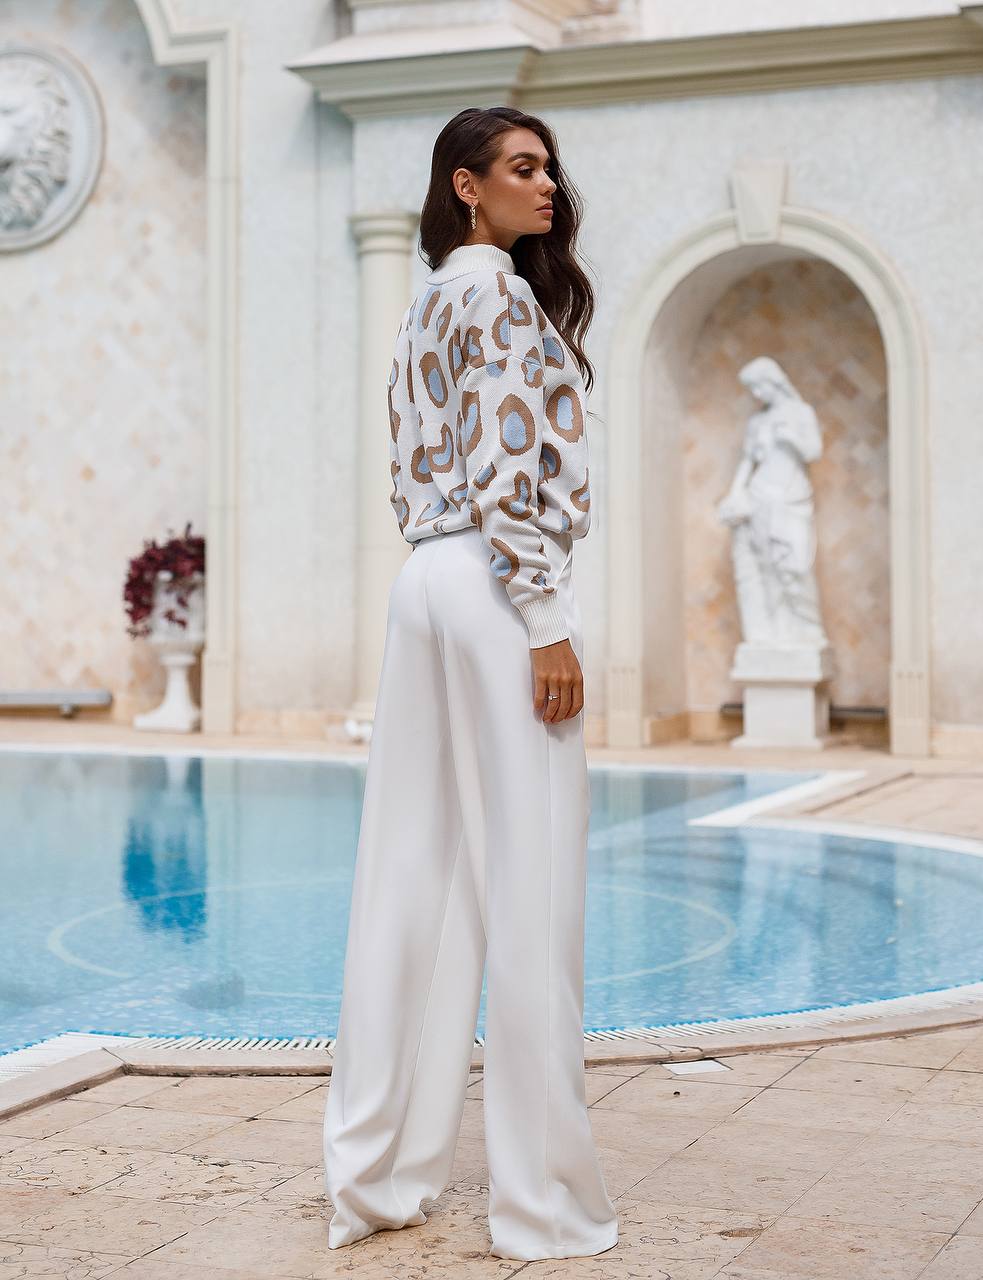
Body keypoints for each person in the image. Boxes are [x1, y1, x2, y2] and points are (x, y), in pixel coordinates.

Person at [322, 104, 618, 1264]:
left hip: (424, 584)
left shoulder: (428, 298)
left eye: (548, 168)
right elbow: (507, 458)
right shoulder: (497, 291)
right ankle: (543, 1204)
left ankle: (376, 1172)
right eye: (522, 167)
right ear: (465, 185)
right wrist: (543, 616)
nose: (547, 187)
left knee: (412, 873)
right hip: (499, 586)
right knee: (530, 889)